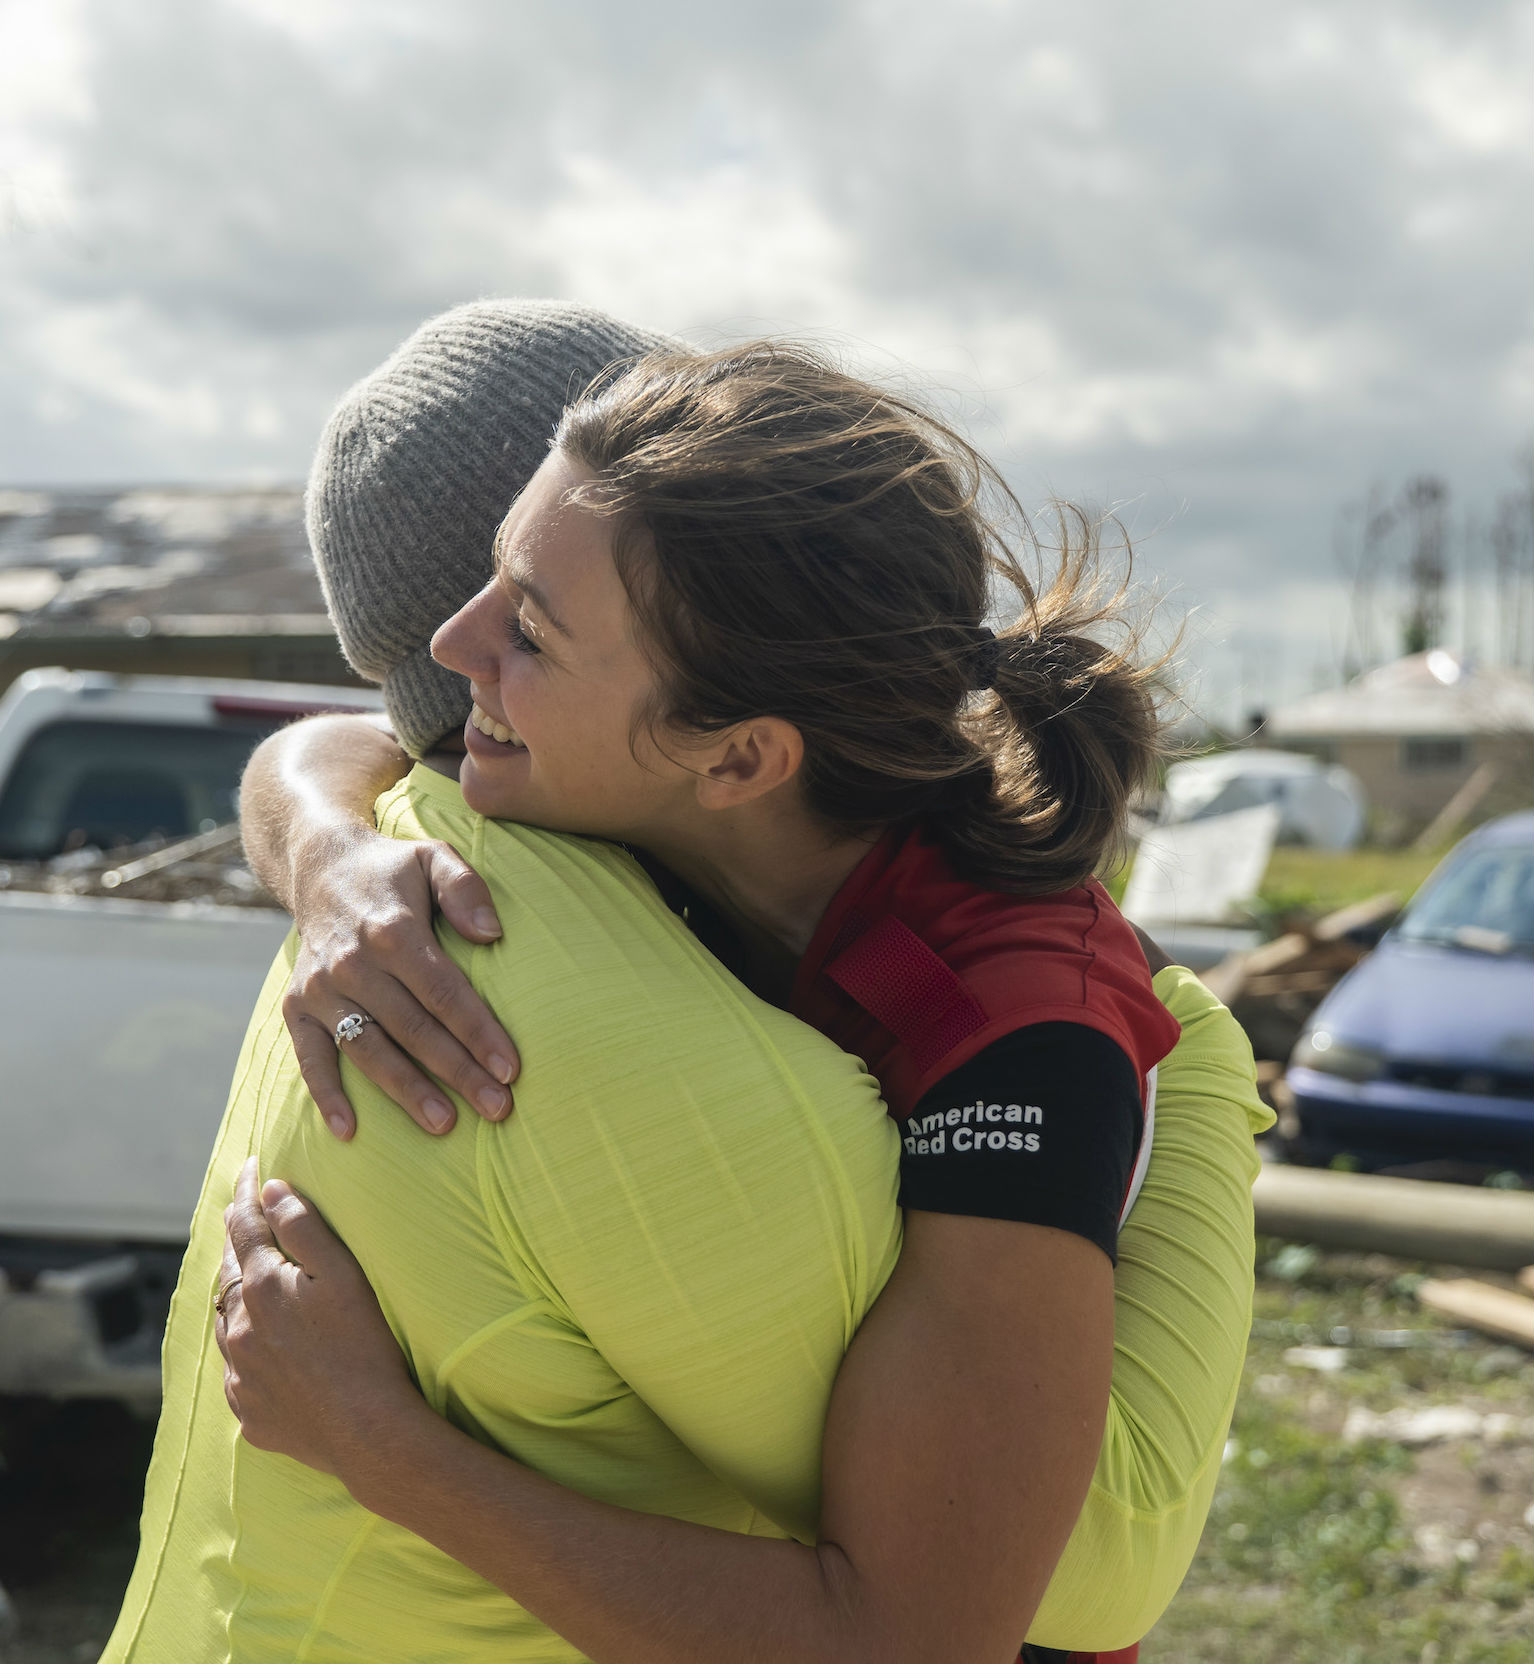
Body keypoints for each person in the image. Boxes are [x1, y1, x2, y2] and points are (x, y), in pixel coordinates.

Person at [192, 307, 1270, 1658]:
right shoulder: (712, 817)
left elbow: (909, 1636)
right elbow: (333, 739)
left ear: (740, 757)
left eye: (526, 629)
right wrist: (331, 856)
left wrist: (377, 1444)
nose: (455, 648)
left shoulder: (1011, 1039)